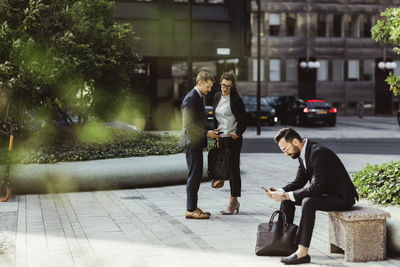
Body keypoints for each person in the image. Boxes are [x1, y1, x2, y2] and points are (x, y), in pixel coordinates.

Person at [264, 127, 358, 265]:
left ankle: (303, 253)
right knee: (288, 200)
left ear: (295, 141)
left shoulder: (318, 153)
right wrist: (280, 192)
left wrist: (285, 196)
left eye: (285, 149)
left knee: (309, 202)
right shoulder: (304, 153)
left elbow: (315, 188)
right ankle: (285, 244)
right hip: (326, 194)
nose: (285, 153)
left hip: (341, 198)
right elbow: (299, 182)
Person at [179, 71, 221, 219]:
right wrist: (207, 134)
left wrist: (210, 131)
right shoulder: (191, 99)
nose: (209, 90)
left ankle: (193, 207)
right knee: (194, 176)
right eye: (208, 87)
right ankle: (190, 210)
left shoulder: (196, 97)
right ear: (200, 83)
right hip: (191, 143)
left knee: (195, 176)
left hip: (194, 142)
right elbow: (189, 126)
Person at [210, 72, 247, 215]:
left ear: (232, 86)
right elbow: (216, 117)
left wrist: (237, 134)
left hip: (232, 139)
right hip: (221, 137)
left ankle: (233, 201)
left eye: (228, 86)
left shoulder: (236, 99)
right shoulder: (216, 97)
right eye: (223, 85)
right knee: (223, 165)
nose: (225, 89)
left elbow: (244, 119)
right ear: (220, 84)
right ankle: (223, 183)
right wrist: (215, 132)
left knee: (234, 169)